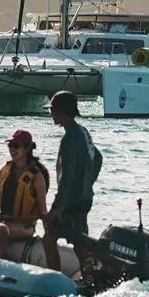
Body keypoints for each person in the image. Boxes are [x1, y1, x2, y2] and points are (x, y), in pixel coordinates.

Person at [43, 91, 103, 271]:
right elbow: (98, 158)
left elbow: (67, 178)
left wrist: (55, 209)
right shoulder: (83, 132)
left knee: (79, 245)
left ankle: (85, 279)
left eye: (53, 110)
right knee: (52, 239)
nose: (51, 114)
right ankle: (83, 277)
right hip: (83, 197)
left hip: (71, 203)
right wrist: (88, 182)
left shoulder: (69, 139)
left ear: (62, 111)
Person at [0, 128, 51, 262]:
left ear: (27, 148)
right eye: (10, 146)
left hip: (25, 226)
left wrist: (49, 237)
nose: (12, 150)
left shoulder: (36, 176)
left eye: (16, 146)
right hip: (4, 219)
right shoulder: (6, 170)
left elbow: (43, 210)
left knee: (2, 230)